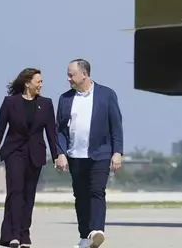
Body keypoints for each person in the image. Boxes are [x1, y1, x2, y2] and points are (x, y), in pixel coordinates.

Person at [54, 59, 124, 248]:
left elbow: (116, 126)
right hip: (75, 155)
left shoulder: (107, 95)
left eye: (71, 74)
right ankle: (85, 236)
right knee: (81, 196)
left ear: (84, 74)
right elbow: (59, 130)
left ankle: (97, 231)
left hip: (100, 153)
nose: (68, 78)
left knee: (97, 191)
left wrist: (117, 152)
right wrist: (60, 153)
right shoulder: (65, 98)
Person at [0, 68, 58, 248]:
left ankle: (25, 235)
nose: (41, 84)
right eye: (38, 81)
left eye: (41, 82)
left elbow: (51, 133)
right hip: (14, 152)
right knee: (16, 191)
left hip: (35, 154)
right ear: (27, 83)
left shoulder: (46, 104)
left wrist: (57, 155)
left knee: (28, 194)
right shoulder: (11, 103)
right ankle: (14, 235)